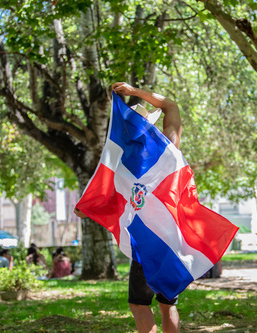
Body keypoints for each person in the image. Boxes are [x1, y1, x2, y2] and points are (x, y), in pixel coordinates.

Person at [74, 82, 182, 333]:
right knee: (168, 304)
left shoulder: (127, 165)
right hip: (175, 237)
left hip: (148, 241)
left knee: (140, 304)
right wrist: (133, 92)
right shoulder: (170, 149)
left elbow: (104, 203)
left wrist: (87, 206)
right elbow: (170, 105)